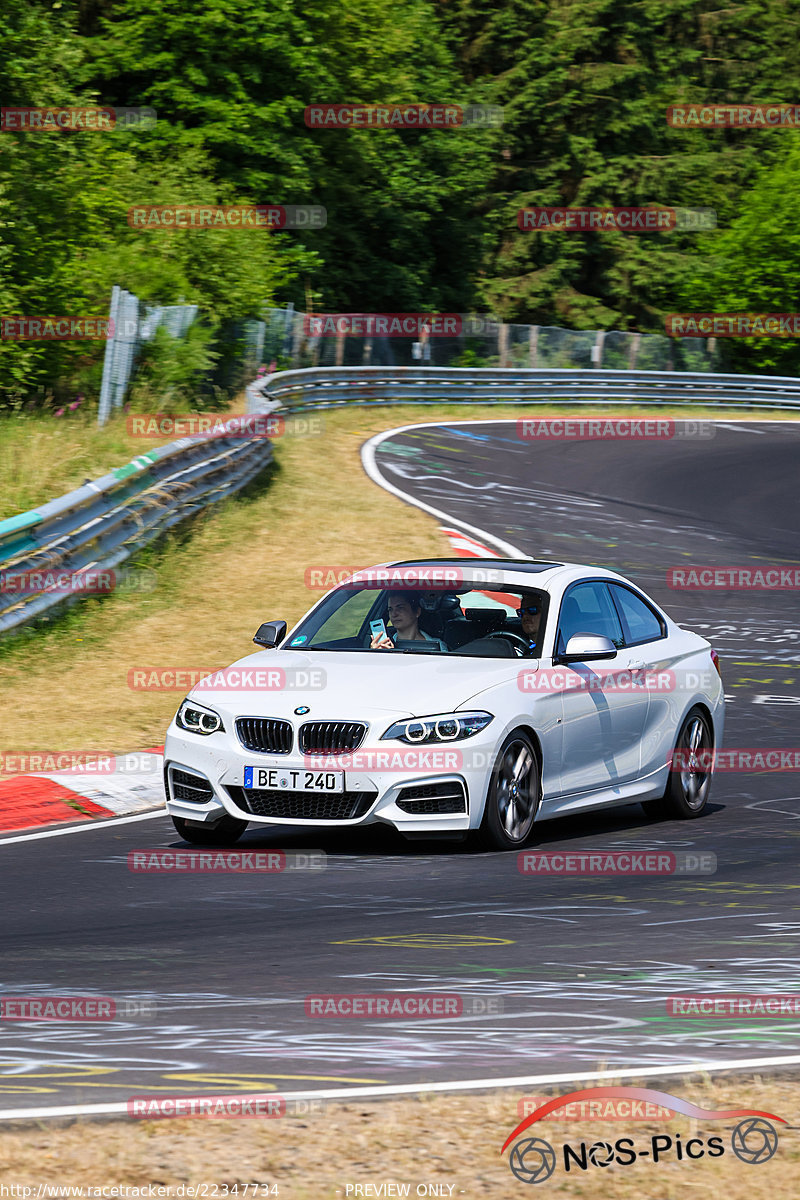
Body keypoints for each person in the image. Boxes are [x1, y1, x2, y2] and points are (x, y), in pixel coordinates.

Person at [370, 591, 448, 651]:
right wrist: (374, 655)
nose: (394, 614)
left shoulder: (438, 646)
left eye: (400, 607)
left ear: (417, 612)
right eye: (390, 609)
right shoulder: (383, 643)